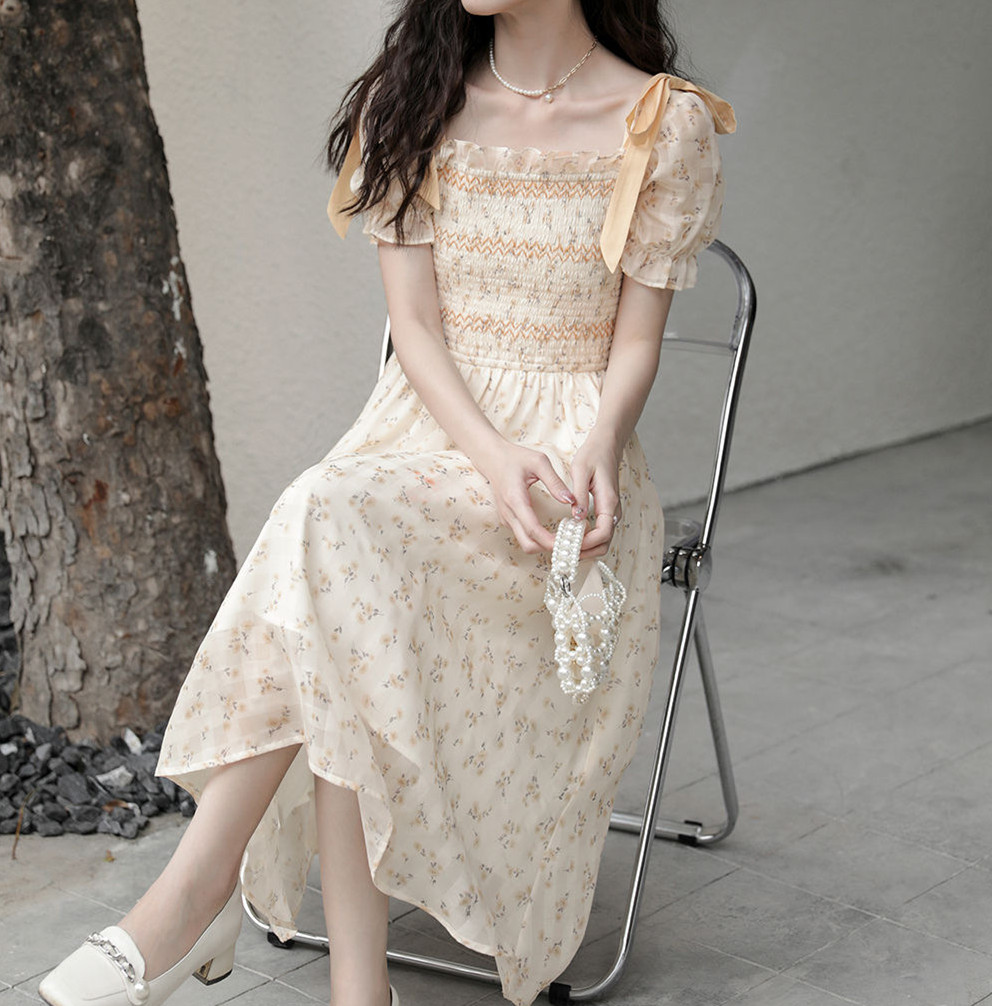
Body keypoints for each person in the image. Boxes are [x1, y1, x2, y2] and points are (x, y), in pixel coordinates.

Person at [39, 2, 735, 1005]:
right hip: (429, 443)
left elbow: (634, 341)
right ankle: (313, 966)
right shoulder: (414, 100)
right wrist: (489, 455)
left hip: (568, 476)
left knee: (332, 536)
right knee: (340, 528)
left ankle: (200, 905)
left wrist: (593, 441)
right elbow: (414, 327)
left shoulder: (660, 123)